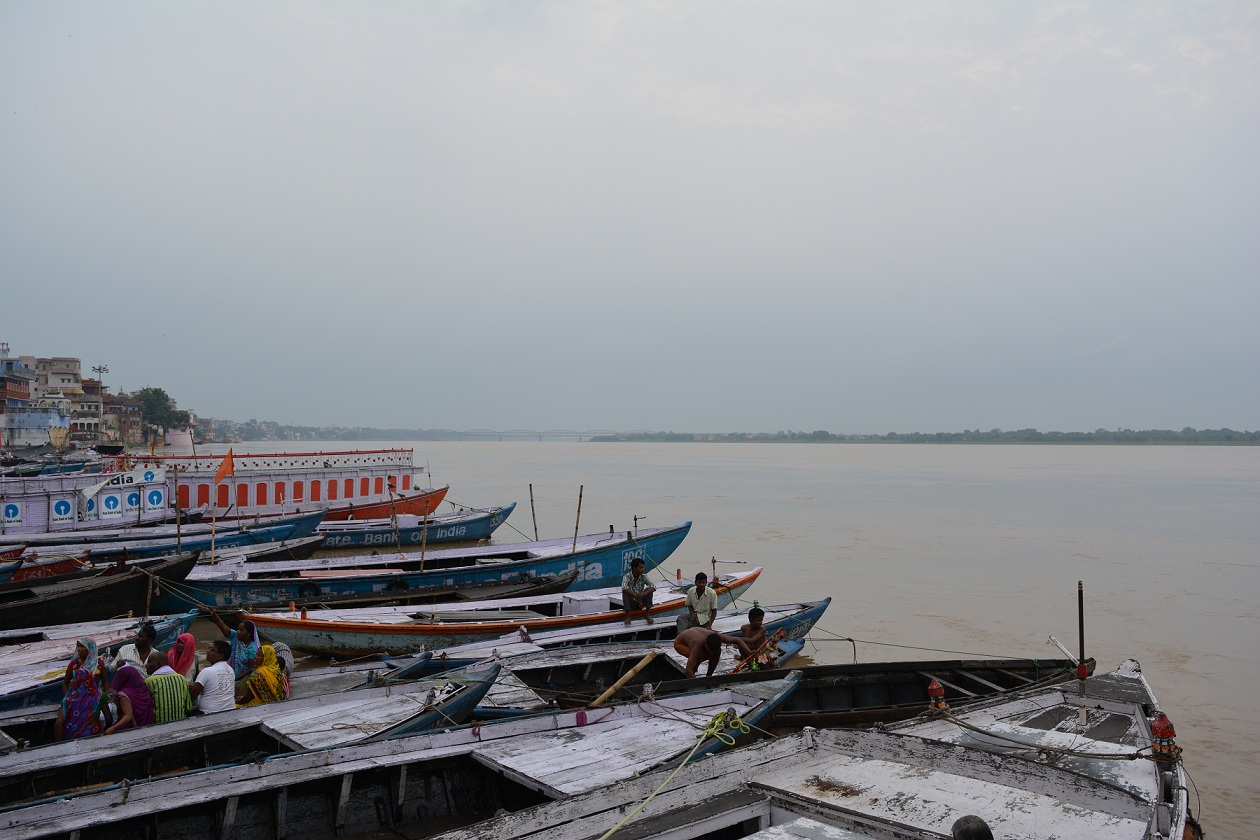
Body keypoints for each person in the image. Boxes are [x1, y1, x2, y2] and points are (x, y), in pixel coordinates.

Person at [55, 638, 109, 740]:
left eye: (82, 646)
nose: (79, 649)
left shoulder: (99, 663)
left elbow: (105, 680)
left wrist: (107, 695)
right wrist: (69, 698)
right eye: (78, 646)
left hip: (93, 697)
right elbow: (65, 683)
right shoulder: (74, 664)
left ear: (89, 648)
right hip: (76, 697)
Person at [673, 626, 753, 678]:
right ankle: (696, 667)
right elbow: (688, 670)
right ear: (705, 644)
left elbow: (738, 640)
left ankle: (709, 676)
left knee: (717, 651)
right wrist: (695, 681)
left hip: (696, 633)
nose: (711, 654)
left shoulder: (719, 637)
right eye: (710, 650)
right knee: (699, 654)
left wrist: (749, 653)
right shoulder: (697, 643)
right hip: (680, 643)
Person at [207, 608, 260, 680]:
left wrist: (236, 678)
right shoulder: (235, 637)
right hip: (228, 675)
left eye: (241, 630)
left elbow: (251, 668)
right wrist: (215, 616)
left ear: (249, 633)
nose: (238, 631)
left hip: (242, 680)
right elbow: (223, 627)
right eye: (238, 629)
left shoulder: (252, 648)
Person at [145, 651, 193, 724]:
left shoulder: (150, 681)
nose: (146, 665)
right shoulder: (182, 679)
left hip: (158, 727)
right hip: (181, 724)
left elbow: (146, 709)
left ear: (157, 664)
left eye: (149, 662)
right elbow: (188, 707)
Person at [190, 640, 237, 714]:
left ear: (220, 656)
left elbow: (193, 695)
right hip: (230, 710)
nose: (208, 651)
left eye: (212, 650)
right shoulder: (230, 670)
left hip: (208, 713)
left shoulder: (207, 671)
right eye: (208, 648)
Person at [104, 665, 154, 733]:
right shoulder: (144, 690)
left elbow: (128, 716)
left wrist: (112, 728)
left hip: (131, 730)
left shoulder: (124, 695)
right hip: (147, 727)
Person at [620, 558, 656, 625]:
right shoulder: (627, 576)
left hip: (641, 603)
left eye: (643, 567)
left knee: (649, 589)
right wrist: (636, 597)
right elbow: (624, 587)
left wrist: (643, 594)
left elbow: (653, 586)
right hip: (632, 603)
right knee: (625, 591)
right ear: (634, 568)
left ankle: (647, 614)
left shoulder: (644, 576)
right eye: (640, 568)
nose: (643, 569)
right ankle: (628, 616)